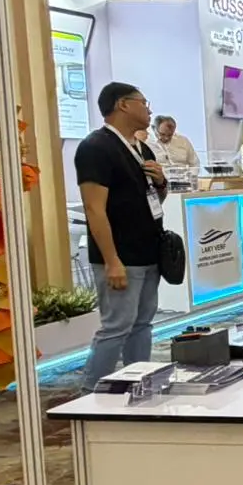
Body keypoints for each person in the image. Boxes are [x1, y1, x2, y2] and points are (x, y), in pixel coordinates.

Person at [75, 82, 169, 386]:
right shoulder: (95, 147)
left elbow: (153, 200)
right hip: (120, 255)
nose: (149, 110)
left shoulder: (142, 148)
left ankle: (138, 383)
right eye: (143, 102)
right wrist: (111, 260)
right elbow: (94, 208)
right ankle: (91, 390)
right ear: (123, 104)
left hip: (148, 251)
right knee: (116, 326)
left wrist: (161, 182)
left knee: (142, 325)